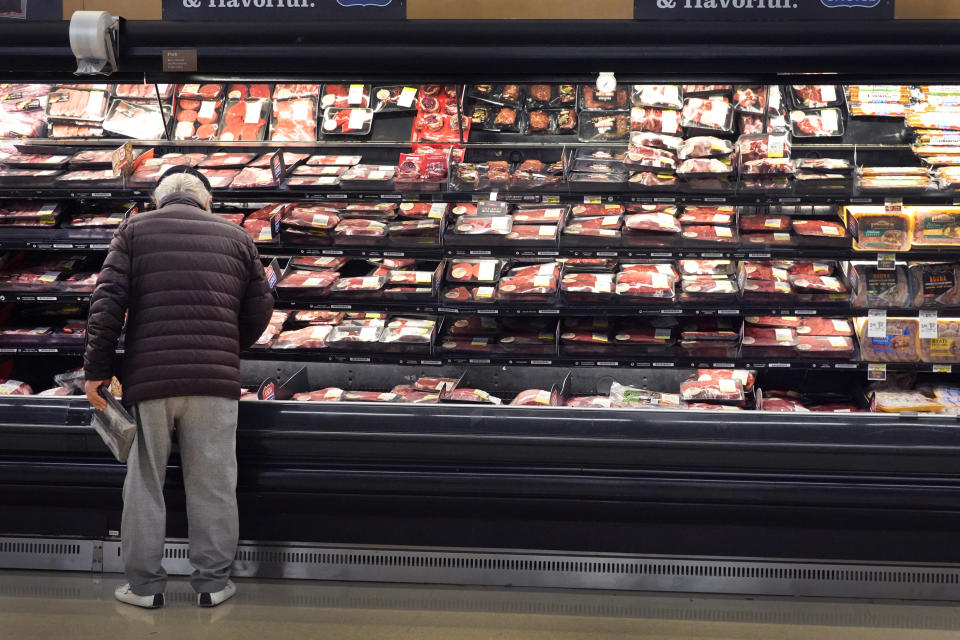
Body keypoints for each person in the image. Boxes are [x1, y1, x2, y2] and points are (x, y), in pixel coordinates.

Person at [83, 168, 274, 609]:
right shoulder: (237, 237)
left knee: (145, 480)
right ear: (206, 202)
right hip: (214, 381)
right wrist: (228, 346)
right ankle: (212, 584)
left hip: (149, 379)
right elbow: (260, 307)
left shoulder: (133, 231)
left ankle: (145, 588)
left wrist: (98, 369)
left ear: (158, 201)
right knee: (213, 482)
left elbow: (107, 303)